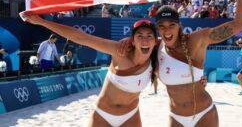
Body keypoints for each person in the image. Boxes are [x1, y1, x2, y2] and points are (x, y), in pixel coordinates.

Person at [119, 0, 242, 126]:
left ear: (179, 26)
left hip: (204, 114)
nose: (167, 30)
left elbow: (240, 23)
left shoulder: (197, 40)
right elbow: (135, 44)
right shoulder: (155, 47)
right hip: (176, 117)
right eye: (162, 26)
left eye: (171, 25)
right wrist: (127, 42)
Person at [19, 12, 158, 127]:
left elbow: (175, 41)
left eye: (149, 36)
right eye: (140, 36)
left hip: (131, 116)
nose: (145, 41)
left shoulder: (158, 56)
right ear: (133, 40)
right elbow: (81, 37)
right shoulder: (119, 51)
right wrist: (42, 22)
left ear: (155, 41)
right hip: (103, 116)